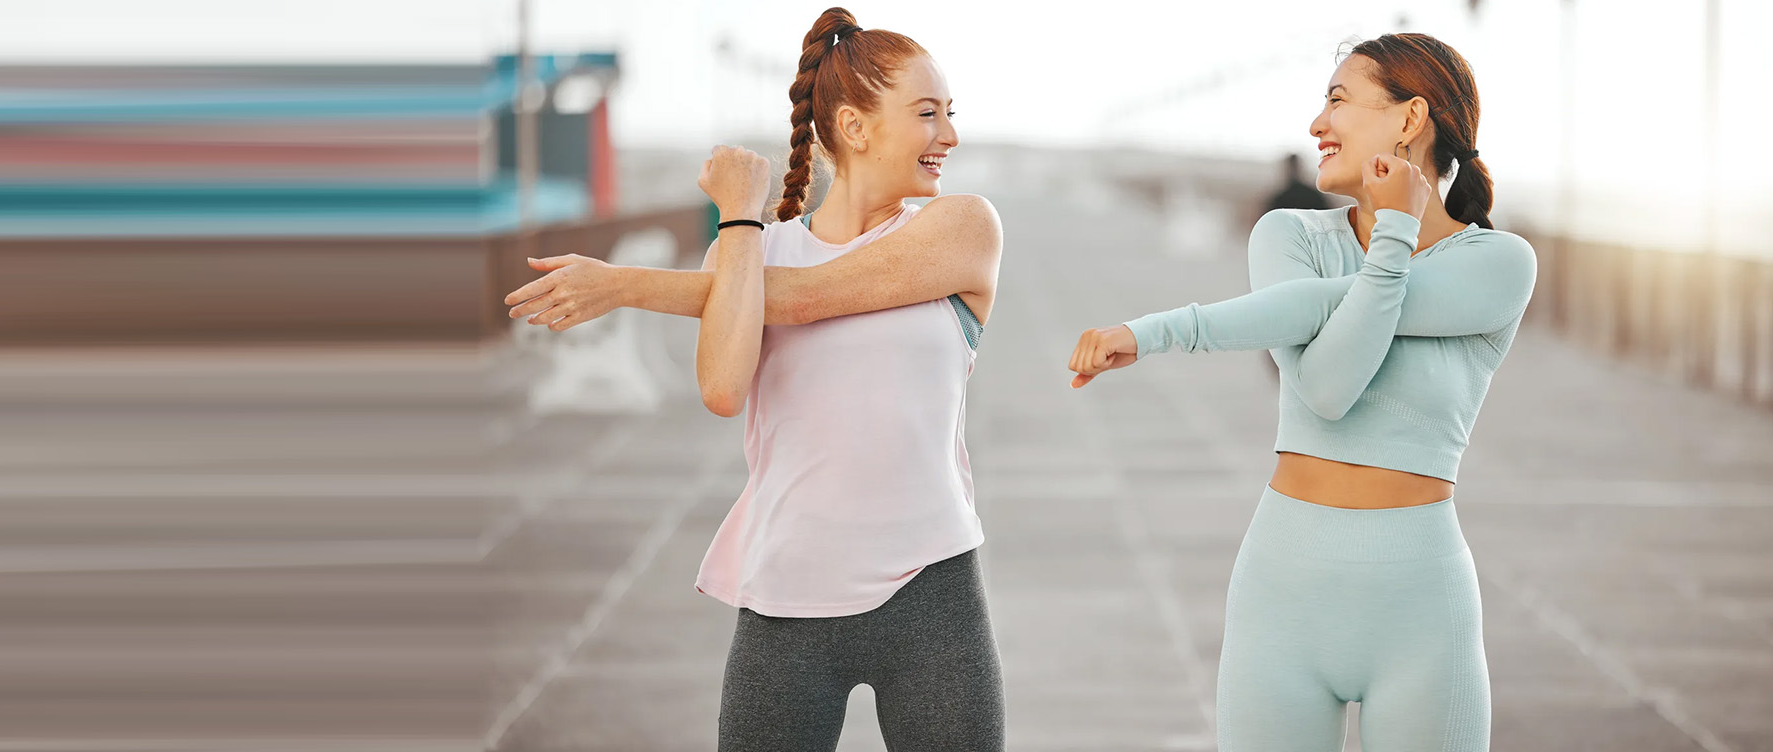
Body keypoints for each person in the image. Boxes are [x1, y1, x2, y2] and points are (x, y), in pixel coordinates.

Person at [501, 8, 1005, 750]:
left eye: (950, 115)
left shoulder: (963, 228)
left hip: (934, 599)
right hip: (786, 605)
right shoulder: (748, 252)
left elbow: (806, 299)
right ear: (856, 127)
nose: (950, 136)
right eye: (928, 115)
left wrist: (626, 284)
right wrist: (739, 217)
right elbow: (722, 388)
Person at [1067, 33, 1534, 751]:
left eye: (1339, 99)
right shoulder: (1287, 235)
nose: (1317, 123)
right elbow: (1325, 389)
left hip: (1420, 608)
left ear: (1410, 120)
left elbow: (1333, 331)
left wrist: (1158, 331)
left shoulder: (1498, 264)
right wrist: (1393, 246)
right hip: (1281, 595)